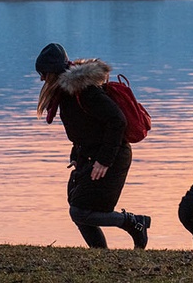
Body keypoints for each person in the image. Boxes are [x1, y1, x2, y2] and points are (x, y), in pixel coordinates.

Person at [35, 42, 151, 249]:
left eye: (43, 73)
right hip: (90, 154)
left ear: (53, 71)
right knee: (77, 205)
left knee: (81, 210)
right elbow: (85, 128)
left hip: (113, 155)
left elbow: (118, 121)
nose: (42, 79)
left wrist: (104, 161)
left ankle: (134, 223)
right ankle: (99, 253)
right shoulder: (66, 93)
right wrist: (76, 155)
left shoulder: (85, 91)